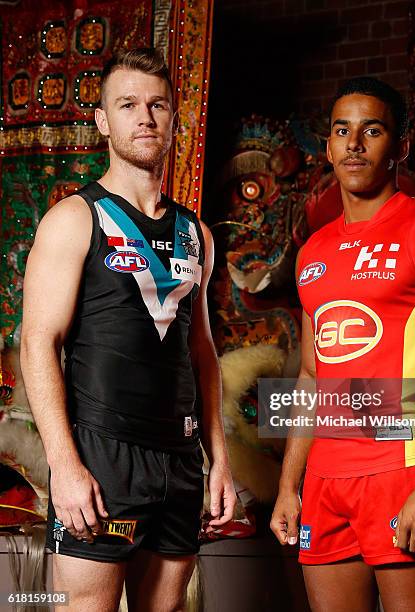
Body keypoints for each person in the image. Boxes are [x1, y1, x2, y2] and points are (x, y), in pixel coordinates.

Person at [21, 48, 235, 612]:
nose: (145, 117)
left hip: (181, 460)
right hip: (101, 456)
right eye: (128, 104)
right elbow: (37, 343)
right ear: (102, 121)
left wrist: (220, 465)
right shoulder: (73, 219)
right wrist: (65, 468)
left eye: (158, 105)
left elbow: (203, 354)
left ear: (173, 121)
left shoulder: (197, 234)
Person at [270, 77, 415, 611]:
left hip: (400, 469)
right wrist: (288, 485)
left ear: (400, 147)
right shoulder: (312, 252)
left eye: (372, 131)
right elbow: (311, 377)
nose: (354, 145)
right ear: (328, 148)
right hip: (325, 477)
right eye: (342, 131)